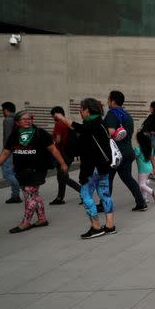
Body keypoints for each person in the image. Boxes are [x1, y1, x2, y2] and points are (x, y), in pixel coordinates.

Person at [0, 111, 68, 233]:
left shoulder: (40, 133)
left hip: (37, 169)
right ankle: (42, 219)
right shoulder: (14, 135)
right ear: (17, 122)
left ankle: (26, 222)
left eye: (30, 118)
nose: (28, 121)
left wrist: (62, 163)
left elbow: (53, 149)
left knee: (30, 194)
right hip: (21, 170)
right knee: (33, 195)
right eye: (24, 119)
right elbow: (5, 152)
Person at [54, 98, 116, 239]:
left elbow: (79, 128)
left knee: (85, 195)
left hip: (92, 168)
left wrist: (62, 118)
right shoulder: (101, 122)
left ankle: (96, 227)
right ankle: (110, 225)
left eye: (81, 109)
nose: (80, 112)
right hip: (103, 166)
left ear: (87, 110)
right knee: (105, 194)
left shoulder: (91, 124)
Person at [105, 91, 148, 211]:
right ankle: (141, 202)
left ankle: (105, 204)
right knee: (128, 178)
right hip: (128, 152)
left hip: (115, 154)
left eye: (108, 99)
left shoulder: (111, 114)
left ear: (113, 101)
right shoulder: (127, 116)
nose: (107, 102)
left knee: (108, 179)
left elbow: (111, 132)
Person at [49, 106, 81, 204]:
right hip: (69, 153)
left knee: (63, 177)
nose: (52, 117)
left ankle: (83, 192)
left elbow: (58, 140)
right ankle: (60, 198)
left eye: (53, 115)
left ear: (56, 114)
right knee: (61, 176)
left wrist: (51, 137)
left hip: (62, 154)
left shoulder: (58, 124)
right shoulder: (67, 122)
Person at [0, 101, 22, 203]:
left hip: (9, 151)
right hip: (18, 150)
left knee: (7, 173)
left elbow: (8, 137)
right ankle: (15, 195)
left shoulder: (8, 120)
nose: (2, 112)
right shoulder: (18, 119)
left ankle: (21, 187)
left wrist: (5, 151)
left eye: (3, 110)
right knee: (13, 172)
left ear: (6, 110)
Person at [134, 132, 155, 205]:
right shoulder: (150, 148)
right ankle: (145, 198)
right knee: (144, 183)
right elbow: (152, 159)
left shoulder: (138, 150)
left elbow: (132, 157)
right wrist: (154, 168)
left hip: (142, 170)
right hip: (149, 168)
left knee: (141, 185)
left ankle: (152, 192)